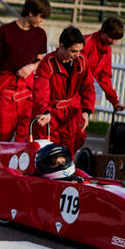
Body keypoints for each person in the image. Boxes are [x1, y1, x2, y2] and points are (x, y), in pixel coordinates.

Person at [0, 0, 51, 175]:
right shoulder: (5, 31)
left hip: (27, 93)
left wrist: (31, 66)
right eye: (40, 17)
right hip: (6, 92)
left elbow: (41, 62)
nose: (42, 21)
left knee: (25, 139)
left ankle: (16, 176)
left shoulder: (40, 34)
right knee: (1, 137)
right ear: (30, 13)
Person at [32, 26, 95, 155]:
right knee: (48, 153)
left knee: (70, 150)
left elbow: (88, 88)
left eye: (80, 51)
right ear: (61, 46)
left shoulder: (82, 62)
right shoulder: (47, 64)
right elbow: (40, 92)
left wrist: (86, 111)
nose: (77, 55)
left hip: (71, 114)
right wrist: (45, 111)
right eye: (73, 51)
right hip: (50, 114)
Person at [75, 17, 125, 151]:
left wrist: (114, 101)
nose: (114, 42)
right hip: (71, 94)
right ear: (103, 32)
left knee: (78, 135)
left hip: (84, 95)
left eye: (117, 40)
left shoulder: (106, 50)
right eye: (112, 38)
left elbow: (104, 77)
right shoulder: (85, 43)